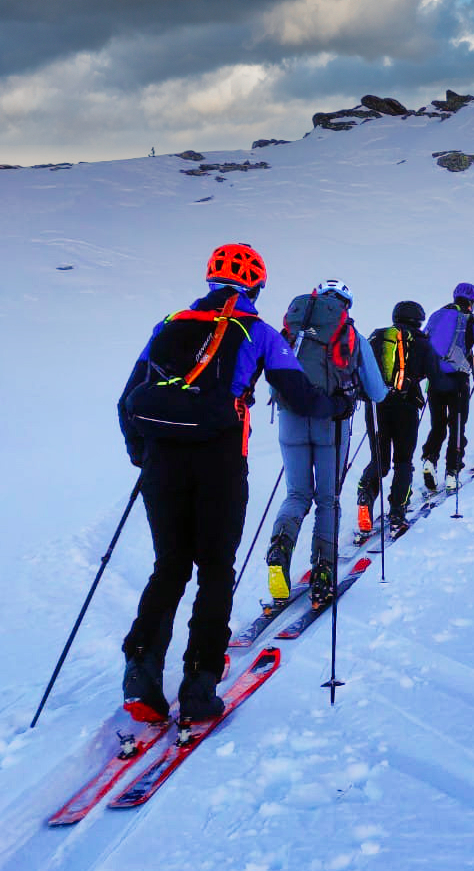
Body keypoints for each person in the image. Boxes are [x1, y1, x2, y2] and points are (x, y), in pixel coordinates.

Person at [118, 244, 342, 723]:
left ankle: (140, 670)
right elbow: (299, 395)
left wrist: (144, 457)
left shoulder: (168, 323)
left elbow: (127, 401)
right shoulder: (258, 332)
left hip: (163, 460)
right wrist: (337, 406)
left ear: (210, 281)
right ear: (256, 286)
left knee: (170, 566)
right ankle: (200, 681)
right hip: (220, 458)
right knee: (216, 568)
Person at [267, 280, 388, 607]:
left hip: (290, 417)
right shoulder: (351, 336)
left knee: (296, 494)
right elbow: (376, 392)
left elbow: (274, 383)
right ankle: (322, 571)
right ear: (345, 305)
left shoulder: (293, 332)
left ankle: (280, 549)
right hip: (333, 423)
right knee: (327, 498)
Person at [356, 300, 435, 538]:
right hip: (406, 405)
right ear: (418, 319)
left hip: (376, 404)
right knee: (403, 460)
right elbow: (434, 374)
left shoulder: (377, 337)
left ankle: (365, 498)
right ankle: (397, 514)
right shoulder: (421, 342)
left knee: (379, 459)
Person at [421, 282, 474, 492]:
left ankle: (429, 460)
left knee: (437, 425)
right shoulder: (472, 321)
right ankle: (452, 473)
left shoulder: (436, 316)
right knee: (456, 426)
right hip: (458, 381)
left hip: (434, 380)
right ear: (472, 302)